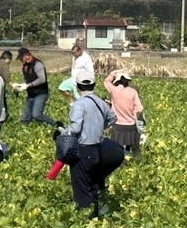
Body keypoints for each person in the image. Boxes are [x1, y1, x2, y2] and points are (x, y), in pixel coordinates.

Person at [57, 77, 119, 216]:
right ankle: (95, 213)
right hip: (97, 149)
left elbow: (76, 127)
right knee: (91, 181)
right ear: (94, 85)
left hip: (83, 148)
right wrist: (100, 128)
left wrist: (63, 132)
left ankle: (85, 217)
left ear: (78, 86)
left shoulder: (79, 104)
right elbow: (113, 118)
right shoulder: (99, 102)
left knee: (81, 183)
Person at [104, 70, 144, 157]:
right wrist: (133, 114)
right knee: (135, 149)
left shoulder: (114, 90)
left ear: (117, 81)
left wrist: (113, 73)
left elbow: (106, 82)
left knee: (116, 149)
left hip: (118, 125)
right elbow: (140, 108)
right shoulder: (133, 92)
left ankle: (121, 164)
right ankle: (137, 162)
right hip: (131, 125)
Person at [17, 48, 56, 126]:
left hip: (41, 93)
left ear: (27, 55)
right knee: (25, 117)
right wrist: (20, 85)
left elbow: (42, 79)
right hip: (31, 93)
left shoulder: (37, 64)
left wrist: (29, 85)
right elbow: (26, 78)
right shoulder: (25, 65)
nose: (21, 60)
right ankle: (24, 131)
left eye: (22, 58)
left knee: (37, 114)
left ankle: (54, 124)